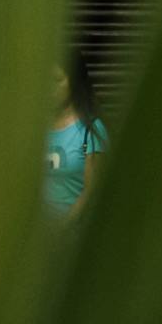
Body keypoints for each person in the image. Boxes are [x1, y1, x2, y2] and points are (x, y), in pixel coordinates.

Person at [42, 68, 107, 217]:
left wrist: (64, 226)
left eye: (57, 80)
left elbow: (91, 192)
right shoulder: (36, 130)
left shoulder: (91, 129)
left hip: (73, 226)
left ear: (74, 82)